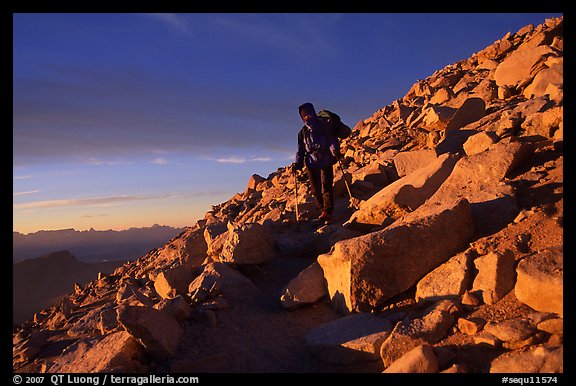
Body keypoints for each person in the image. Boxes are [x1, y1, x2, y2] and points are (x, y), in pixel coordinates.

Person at [291, 102, 343, 224]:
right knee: (315, 190)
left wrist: (335, 151)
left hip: (326, 159)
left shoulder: (324, 126)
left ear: (313, 113)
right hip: (311, 163)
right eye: (304, 116)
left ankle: (328, 213)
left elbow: (331, 140)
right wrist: (298, 164)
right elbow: (301, 150)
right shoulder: (302, 133)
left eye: (308, 114)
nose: (307, 117)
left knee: (326, 187)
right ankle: (323, 211)